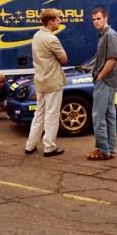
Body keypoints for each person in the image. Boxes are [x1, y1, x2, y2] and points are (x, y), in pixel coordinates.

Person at [26, 9, 68, 157]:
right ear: (50, 22)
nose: (60, 21)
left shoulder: (36, 36)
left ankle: (30, 145)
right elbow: (64, 59)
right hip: (52, 81)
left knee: (39, 113)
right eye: (57, 19)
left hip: (40, 81)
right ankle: (49, 147)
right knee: (52, 115)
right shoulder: (52, 39)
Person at [88, 7, 117, 161]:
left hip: (106, 82)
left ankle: (102, 150)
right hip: (106, 81)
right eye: (94, 19)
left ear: (105, 18)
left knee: (98, 116)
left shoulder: (109, 35)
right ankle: (110, 149)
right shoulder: (103, 36)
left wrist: (100, 76)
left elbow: (112, 59)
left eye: (98, 18)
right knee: (109, 117)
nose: (96, 22)